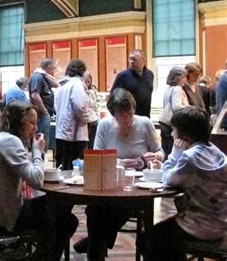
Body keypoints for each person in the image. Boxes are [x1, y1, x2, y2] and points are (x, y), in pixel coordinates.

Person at [0, 101, 78, 259]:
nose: (35, 128)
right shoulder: (10, 141)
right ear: (18, 121)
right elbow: (37, 180)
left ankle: (40, 255)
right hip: (6, 216)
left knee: (61, 207)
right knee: (67, 220)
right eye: (32, 122)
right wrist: (38, 150)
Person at [74, 88, 164, 260]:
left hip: (138, 184)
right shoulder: (105, 125)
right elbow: (96, 155)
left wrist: (153, 157)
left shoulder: (144, 124)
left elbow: (160, 151)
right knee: (95, 208)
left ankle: (93, 242)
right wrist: (121, 162)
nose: (127, 118)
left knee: (115, 208)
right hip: (111, 181)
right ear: (113, 114)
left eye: (129, 113)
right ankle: (95, 243)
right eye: (121, 115)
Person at [148, 106, 226, 260]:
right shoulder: (216, 151)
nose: (171, 133)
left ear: (183, 135)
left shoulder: (189, 158)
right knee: (165, 238)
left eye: (174, 130)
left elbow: (167, 179)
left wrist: (175, 154)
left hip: (199, 226)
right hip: (220, 223)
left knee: (150, 238)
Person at [55, 59, 91, 170]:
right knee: (74, 167)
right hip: (75, 134)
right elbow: (79, 105)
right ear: (82, 71)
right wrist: (88, 118)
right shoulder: (77, 84)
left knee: (63, 165)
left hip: (61, 132)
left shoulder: (62, 85)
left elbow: (56, 106)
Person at [111, 49, 154, 118]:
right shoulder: (122, 76)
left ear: (143, 60)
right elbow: (113, 97)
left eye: (134, 59)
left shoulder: (149, 74)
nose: (131, 62)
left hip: (145, 116)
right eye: (130, 59)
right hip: (128, 118)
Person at [158, 66, 189, 158]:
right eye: (184, 77)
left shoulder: (168, 89)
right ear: (178, 77)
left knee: (165, 149)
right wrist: (189, 107)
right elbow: (176, 107)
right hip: (171, 123)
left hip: (164, 122)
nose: (185, 79)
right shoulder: (177, 89)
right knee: (172, 150)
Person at [28, 58, 59, 145]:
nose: (53, 71)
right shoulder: (37, 77)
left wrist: (45, 74)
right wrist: (45, 112)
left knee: (44, 141)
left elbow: (56, 85)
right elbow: (35, 96)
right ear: (49, 66)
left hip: (44, 114)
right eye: (53, 68)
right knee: (40, 140)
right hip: (41, 115)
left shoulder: (43, 76)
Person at [83, 72, 99, 149]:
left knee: (92, 143)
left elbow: (95, 107)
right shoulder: (79, 92)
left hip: (93, 120)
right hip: (85, 121)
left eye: (88, 82)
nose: (86, 84)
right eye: (85, 81)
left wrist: (98, 118)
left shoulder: (92, 92)